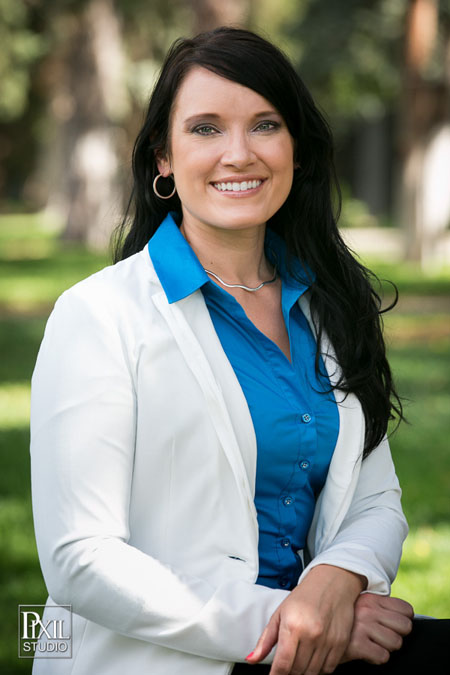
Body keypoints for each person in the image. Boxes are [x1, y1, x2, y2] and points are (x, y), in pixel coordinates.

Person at [30, 26, 448, 675]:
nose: (238, 152)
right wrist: (286, 620)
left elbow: (375, 500)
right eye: (204, 128)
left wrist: (335, 582)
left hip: (321, 651)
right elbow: (80, 558)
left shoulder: (330, 306)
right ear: (162, 158)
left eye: (264, 124)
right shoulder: (99, 316)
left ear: (297, 149)